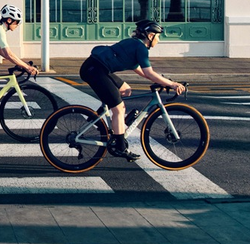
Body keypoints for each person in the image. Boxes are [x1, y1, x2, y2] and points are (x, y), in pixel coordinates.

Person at [79, 19, 186, 161]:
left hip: (97, 68)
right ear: (150, 35)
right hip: (95, 70)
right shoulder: (141, 48)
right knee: (118, 109)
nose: (158, 40)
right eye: (158, 36)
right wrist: (172, 84)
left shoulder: (134, 44)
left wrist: (164, 81)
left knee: (125, 90)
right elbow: (149, 73)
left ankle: (102, 120)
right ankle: (120, 147)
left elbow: (142, 72)